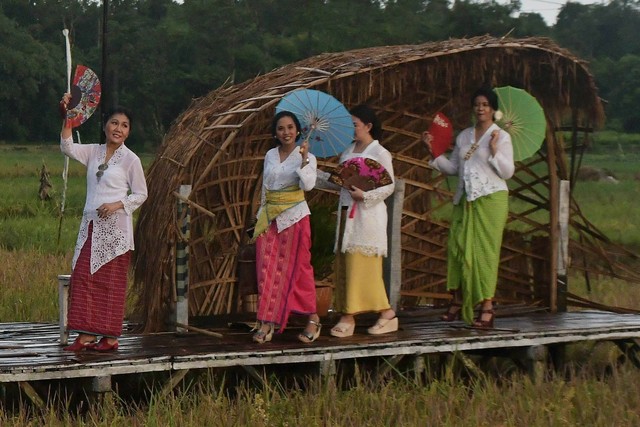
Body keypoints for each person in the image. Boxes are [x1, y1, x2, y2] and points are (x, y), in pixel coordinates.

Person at [59, 93, 148, 352]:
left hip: (116, 232)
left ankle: (110, 337)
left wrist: (117, 204)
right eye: (114, 123)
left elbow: (141, 193)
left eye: (124, 125)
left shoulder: (131, 160)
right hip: (90, 226)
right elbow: (66, 147)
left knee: (110, 283)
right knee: (84, 277)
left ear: (128, 131)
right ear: (105, 126)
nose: (118, 129)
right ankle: (86, 334)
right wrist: (67, 116)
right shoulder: (93, 152)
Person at [422, 87, 514, 328]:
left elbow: (507, 172)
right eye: (477, 104)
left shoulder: (501, 137)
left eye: (485, 105)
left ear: (493, 109)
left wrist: (494, 152)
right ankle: (459, 298)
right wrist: (433, 151)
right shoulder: (464, 136)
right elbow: (453, 169)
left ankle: (487, 305)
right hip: (465, 199)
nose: (480, 108)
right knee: (458, 247)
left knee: (484, 252)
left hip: (491, 199)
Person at [316, 104, 398, 338]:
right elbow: (340, 181)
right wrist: (312, 171)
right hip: (346, 214)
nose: (350, 129)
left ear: (368, 126)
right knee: (345, 265)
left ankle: (354, 316)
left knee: (362, 268)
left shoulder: (380, 153)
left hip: (367, 217)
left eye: (354, 124)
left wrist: (366, 196)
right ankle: (365, 313)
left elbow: (389, 185)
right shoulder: (348, 151)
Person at [251, 110, 321, 344]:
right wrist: (260, 215)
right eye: (281, 128)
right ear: (275, 133)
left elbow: (309, 185)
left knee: (300, 269)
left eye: (290, 127)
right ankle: (267, 320)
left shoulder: (307, 156)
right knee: (266, 268)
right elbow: (265, 187)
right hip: (270, 218)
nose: (286, 132)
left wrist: (304, 160)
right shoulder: (270, 155)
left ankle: (313, 318)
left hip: (295, 218)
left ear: (298, 131)